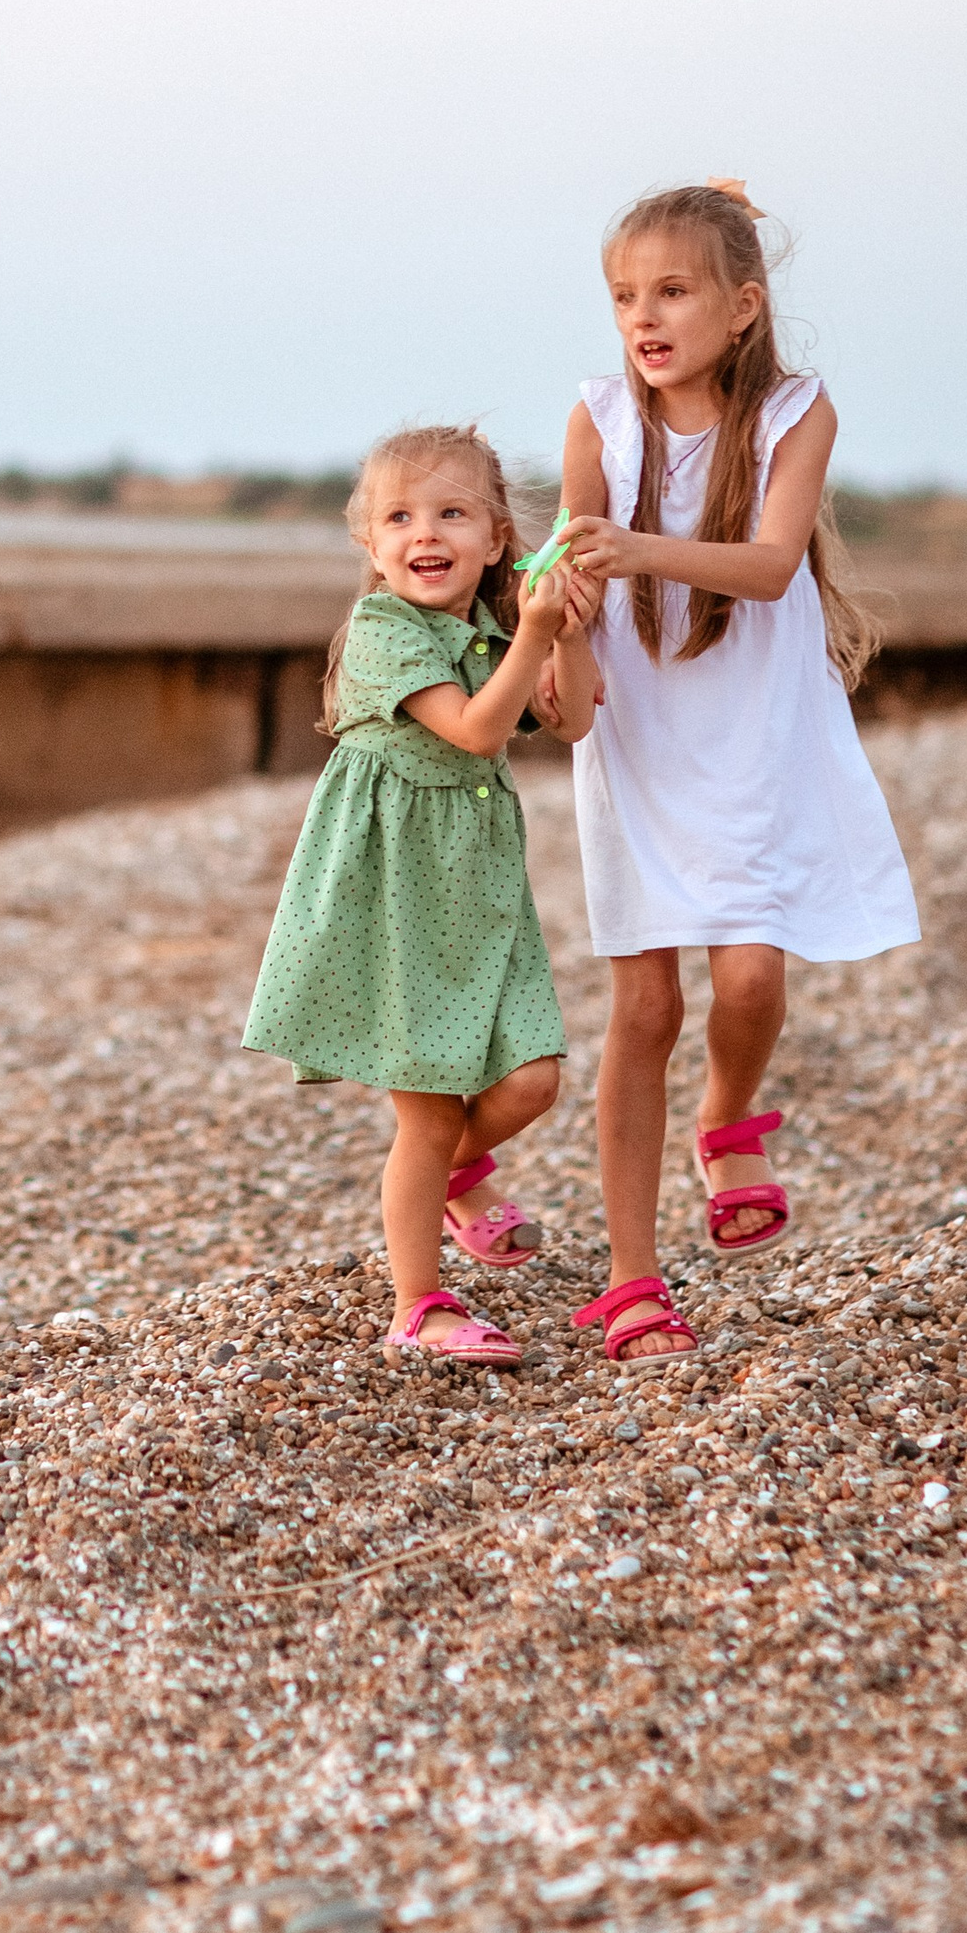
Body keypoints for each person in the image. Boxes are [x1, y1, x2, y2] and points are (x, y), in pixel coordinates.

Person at [556, 181, 919, 1367]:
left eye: (671, 291)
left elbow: (768, 566)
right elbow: (573, 578)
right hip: (642, 724)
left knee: (752, 974)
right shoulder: (599, 419)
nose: (642, 318)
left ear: (742, 306)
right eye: (623, 296)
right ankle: (630, 1276)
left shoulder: (792, 416)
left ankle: (727, 1115)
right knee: (646, 1003)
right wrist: (562, 648)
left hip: (756, 721)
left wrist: (634, 546)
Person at [243, 426, 603, 1368]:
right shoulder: (383, 631)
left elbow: (571, 717)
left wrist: (567, 629)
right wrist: (532, 634)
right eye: (399, 517)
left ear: (494, 539)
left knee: (533, 1080)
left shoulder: (487, 629)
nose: (424, 533)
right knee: (430, 1111)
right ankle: (420, 1304)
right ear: (369, 544)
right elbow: (478, 732)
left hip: (480, 896)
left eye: (451, 514)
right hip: (397, 896)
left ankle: (453, 1176)